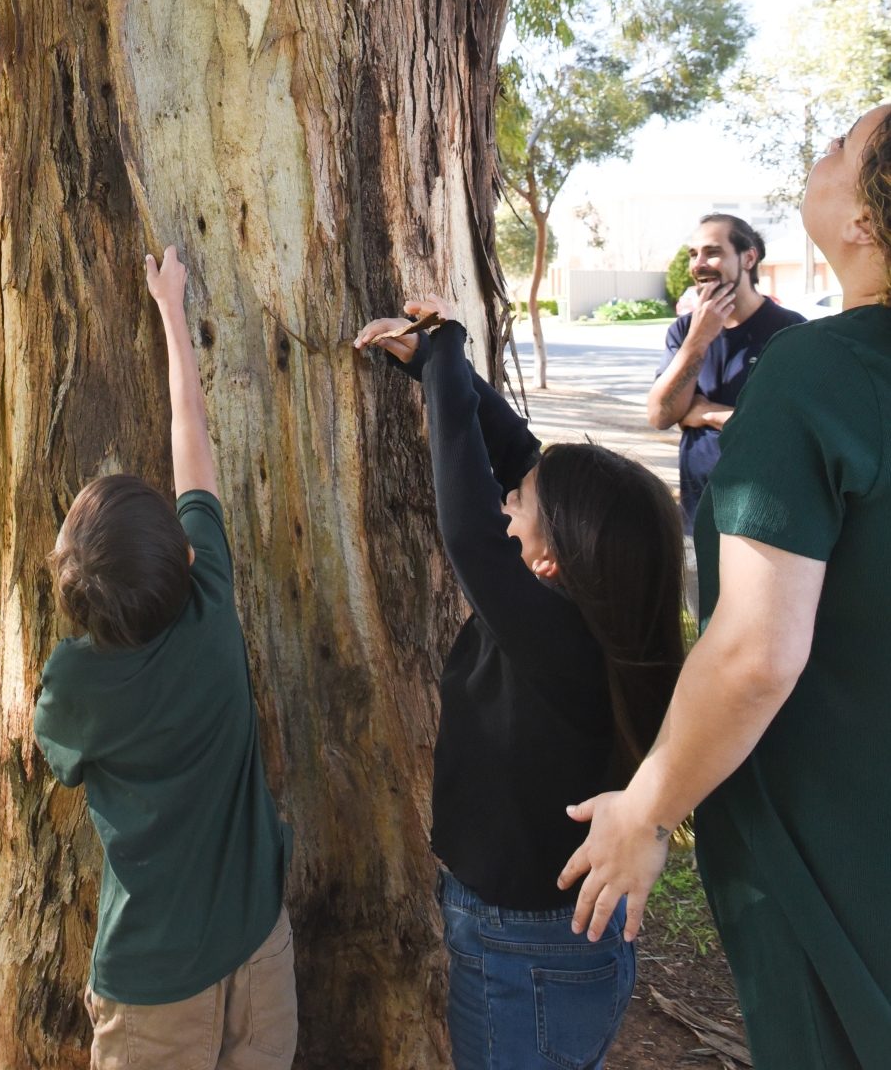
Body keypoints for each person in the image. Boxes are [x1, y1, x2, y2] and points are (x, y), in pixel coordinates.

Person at [559, 104, 891, 1070]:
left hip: (832, 852)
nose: (818, 152)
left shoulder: (817, 370)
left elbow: (751, 652)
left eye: (842, 147)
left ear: (866, 222)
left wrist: (647, 807)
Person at [355, 294, 684, 1070]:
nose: (508, 503)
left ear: (546, 562)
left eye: (521, 511)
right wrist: (444, 373)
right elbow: (519, 460)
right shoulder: (596, 607)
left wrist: (449, 345)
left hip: (524, 948)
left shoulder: (553, 634)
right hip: (542, 937)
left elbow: (468, 525)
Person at [34, 246, 296, 1070]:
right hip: (259, 950)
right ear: (186, 560)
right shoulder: (212, 607)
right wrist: (171, 315)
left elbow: (58, 759)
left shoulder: (72, 686)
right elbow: (194, 443)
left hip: (149, 979)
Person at [646, 215, 804, 542]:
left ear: (748, 258)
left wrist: (706, 412)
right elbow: (661, 415)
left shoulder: (791, 331)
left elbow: (794, 430)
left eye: (712, 252)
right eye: (693, 254)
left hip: (766, 515)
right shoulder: (684, 331)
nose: (699, 264)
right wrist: (699, 338)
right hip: (698, 515)